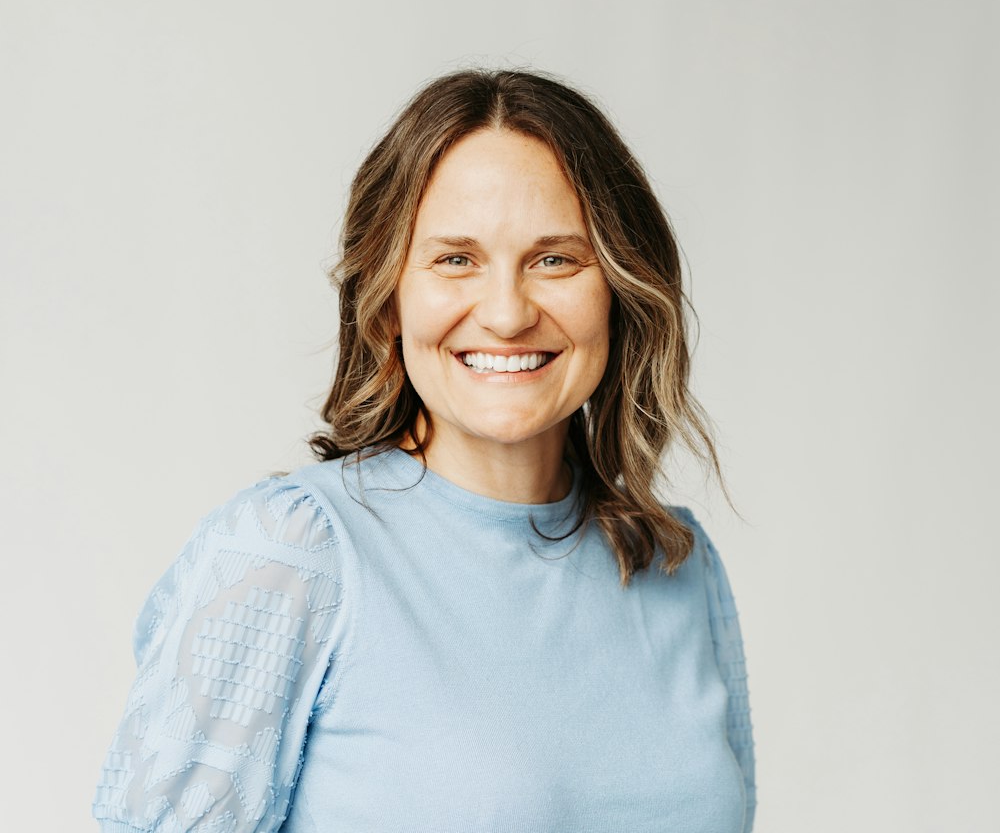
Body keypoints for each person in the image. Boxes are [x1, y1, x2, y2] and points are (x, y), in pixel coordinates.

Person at [93, 69, 755, 832]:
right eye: (454, 259)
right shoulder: (293, 553)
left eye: (555, 259)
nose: (507, 314)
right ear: (386, 299)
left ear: (620, 287)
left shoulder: (679, 564)